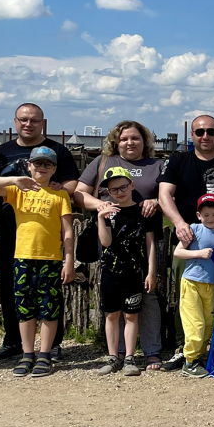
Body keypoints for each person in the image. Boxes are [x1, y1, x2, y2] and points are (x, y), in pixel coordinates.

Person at [0, 103, 80, 365]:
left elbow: (72, 181)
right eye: (24, 120)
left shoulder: (58, 150)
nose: (29, 124)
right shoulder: (1, 152)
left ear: (43, 123)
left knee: (50, 294)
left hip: (47, 231)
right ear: (15, 121)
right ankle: (13, 342)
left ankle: (53, 344)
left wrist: (62, 188)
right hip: (9, 227)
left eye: (34, 120)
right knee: (10, 287)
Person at [160, 114, 214, 369]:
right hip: (188, 239)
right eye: (199, 132)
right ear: (192, 136)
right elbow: (164, 193)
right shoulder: (178, 160)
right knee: (186, 297)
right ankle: (183, 347)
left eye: (210, 132)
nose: (205, 136)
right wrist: (179, 223)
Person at [78, 120, 164, 370]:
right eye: (124, 138)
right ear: (116, 141)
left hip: (142, 233)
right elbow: (80, 193)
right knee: (113, 305)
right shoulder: (103, 161)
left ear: (144, 141)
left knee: (147, 298)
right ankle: (119, 353)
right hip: (111, 237)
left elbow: (171, 193)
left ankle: (150, 351)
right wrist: (101, 207)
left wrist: (156, 201)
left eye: (135, 138)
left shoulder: (156, 165)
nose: (130, 143)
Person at [95, 167, 158, 377]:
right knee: (111, 315)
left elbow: (150, 245)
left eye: (123, 187)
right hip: (110, 272)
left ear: (132, 185)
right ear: (108, 192)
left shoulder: (143, 212)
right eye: (113, 190)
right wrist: (101, 219)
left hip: (134, 272)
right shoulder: (108, 212)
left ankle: (130, 357)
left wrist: (151, 272)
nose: (119, 192)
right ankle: (113, 356)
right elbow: (105, 242)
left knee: (132, 315)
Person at [173, 193, 214, 378]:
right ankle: (189, 361)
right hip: (191, 282)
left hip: (210, 285)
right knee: (195, 323)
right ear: (198, 215)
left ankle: (198, 357)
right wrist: (199, 253)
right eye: (206, 215)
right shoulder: (193, 229)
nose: (210, 218)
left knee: (208, 323)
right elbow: (178, 252)